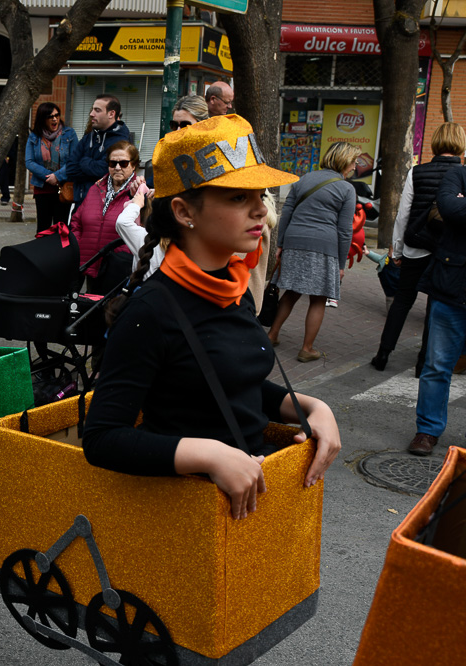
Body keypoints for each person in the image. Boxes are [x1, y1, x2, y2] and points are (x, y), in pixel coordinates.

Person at [83, 114, 341, 522]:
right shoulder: (149, 311)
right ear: (185, 212)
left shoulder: (233, 288)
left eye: (260, 195)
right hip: (181, 520)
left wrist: (312, 408)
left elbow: (235, 385)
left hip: (246, 518)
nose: (261, 209)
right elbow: (101, 439)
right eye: (239, 197)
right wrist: (211, 454)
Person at [371, 122, 466, 373]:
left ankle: (383, 354)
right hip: (447, 252)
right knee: (434, 304)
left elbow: (403, 215)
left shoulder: (417, 172)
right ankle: (422, 362)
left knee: (403, 300)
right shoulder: (463, 175)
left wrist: (397, 250)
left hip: (416, 247)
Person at [266, 142, 358, 362]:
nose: (355, 166)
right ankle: (307, 349)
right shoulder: (346, 189)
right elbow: (345, 230)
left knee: (291, 292)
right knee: (318, 299)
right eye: (354, 161)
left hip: (295, 240)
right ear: (344, 161)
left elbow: (286, 211)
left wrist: (281, 244)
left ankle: (272, 335)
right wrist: (341, 264)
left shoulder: (304, 178)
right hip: (324, 246)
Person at [408, 160, 466, 456]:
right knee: (436, 366)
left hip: (450, 282)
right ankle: (427, 431)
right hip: (450, 287)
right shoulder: (458, 174)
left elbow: (459, 211)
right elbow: (451, 209)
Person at [71, 140, 142, 295]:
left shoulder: (139, 194)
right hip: (88, 262)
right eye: (112, 163)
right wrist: (78, 246)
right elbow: (76, 221)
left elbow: (142, 231)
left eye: (123, 163)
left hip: (117, 268)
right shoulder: (95, 188)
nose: (117, 167)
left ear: (134, 165)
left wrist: (122, 255)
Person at [64, 94, 131, 208]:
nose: (91, 114)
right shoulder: (89, 137)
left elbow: (105, 171)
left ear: (111, 114)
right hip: (81, 203)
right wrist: (93, 170)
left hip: (105, 206)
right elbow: (70, 168)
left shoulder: (121, 141)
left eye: (97, 110)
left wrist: (84, 161)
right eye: (92, 109)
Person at [25, 102, 78, 233]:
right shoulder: (34, 136)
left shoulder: (69, 134)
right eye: (50, 116)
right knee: (43, 229)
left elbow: (75, 159)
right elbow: (29, 161)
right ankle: (43, 253)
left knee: (62, 228)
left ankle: (61, 253)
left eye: (57, 115)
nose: (55, 119)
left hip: (64, 188)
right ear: (43, 119)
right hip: (42, 188)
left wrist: (58, 176)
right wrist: (49, 176)